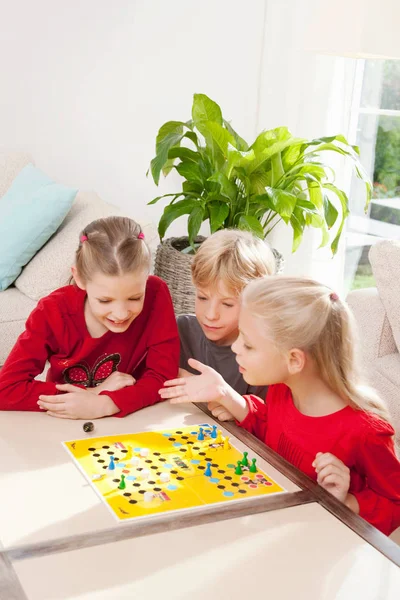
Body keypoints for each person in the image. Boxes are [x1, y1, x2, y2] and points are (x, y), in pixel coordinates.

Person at [160, 276, 400, 535]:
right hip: (269, 523)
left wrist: (345, 501)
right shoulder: (283, 389)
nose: (236, 347)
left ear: (294, 360)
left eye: (248, 344)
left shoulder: (365, 431)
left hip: (316, 542)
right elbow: (271, 427)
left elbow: (394, 503)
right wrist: (226, 395)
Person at [0, 216, 179, 419]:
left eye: (135, 297)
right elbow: (6, 389)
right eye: (104, 301)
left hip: (132, 418)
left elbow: (163, 376)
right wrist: (92, 394)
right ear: (79, 278)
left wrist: (105, 404)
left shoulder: (156, 293)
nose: (120, 313)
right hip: (64, 420)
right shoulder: (52, 312)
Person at [177, 229, 275, 421]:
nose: (211, 315)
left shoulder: (265, 355)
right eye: (202, 297)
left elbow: (269, 425)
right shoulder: (180, 330)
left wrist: (231, 404)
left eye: (228, 304)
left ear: (255, 301)